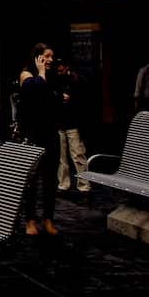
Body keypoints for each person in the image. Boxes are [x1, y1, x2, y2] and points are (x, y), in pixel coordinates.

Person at [19, 44, 61, 235]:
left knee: (50, 180)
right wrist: (41, 72)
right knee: (32, 180)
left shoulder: (51, 78)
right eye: (46, 56)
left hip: (51, 134)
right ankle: (30, 220)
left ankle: (48, 219)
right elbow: (35, 92)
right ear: (37, 58)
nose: (51, 60)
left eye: (52, 56)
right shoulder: (27, 75)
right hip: (34, 135)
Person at [54, 59, 91, 195]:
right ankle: (64, 183)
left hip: (73, 122)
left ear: (67, 68)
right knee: (62, 157)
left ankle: (83, 183)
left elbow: (84, 101)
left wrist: (72, 99)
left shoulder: (77, 81)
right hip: (61, 122)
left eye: (61, 70)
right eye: (58, 70)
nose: (59, 73)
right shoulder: (56, 81)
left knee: (77, 154)